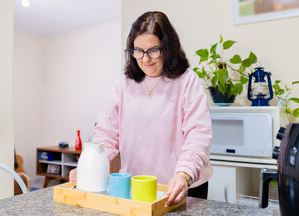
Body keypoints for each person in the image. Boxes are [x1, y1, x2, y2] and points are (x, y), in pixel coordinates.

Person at [70, 11, 213, 206]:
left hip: (180, 185)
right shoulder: (124, 84)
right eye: (138, 51)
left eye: (153, 50)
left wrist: (183, 174)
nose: (145, 59)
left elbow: (198, 136)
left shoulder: (187, 81)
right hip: (135, 185)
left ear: (168, 47)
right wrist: (90, 165)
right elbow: (106, 133)